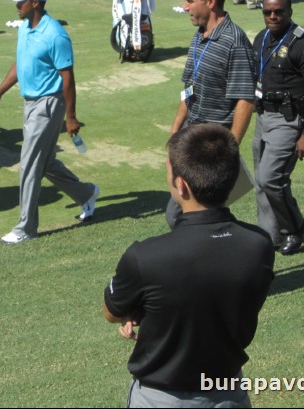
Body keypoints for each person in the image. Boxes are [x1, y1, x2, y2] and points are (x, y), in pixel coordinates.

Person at [103, 124, 275, 408]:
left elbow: (111, 312)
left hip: (161, 400)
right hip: (230, 394)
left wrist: (138, 311)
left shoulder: (145, 257)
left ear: (181, 185)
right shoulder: (259, 245)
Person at [0, 0, 98, 243]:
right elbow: (21, 63)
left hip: (48, 104)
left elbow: (67, 77)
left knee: (29, 165)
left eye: (21, 1)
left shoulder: (55, 34)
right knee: (44, 163)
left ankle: (26, 228)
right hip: (30, 102)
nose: (16, 6)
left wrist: (70, 117)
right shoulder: (25, 27)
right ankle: (86, 194)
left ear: (35, 3)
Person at [165, 0, 256, 229]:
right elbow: (189, 88)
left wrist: (231, 148)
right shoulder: (199, 36)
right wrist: (175, 131)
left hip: (212, 143)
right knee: (184, 214)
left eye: (190, 1)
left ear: (211, 2)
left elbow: (246, 101)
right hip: (190, 136)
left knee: (185, 216)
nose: (185, 7)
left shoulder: (234, 42)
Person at [252, 0, 304, 255]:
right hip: (263, 117)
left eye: (278, 11)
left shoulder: (302, 44)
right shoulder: (261, 39)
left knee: (271, 177)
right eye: (267, 12)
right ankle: (269, 236)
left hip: (288, 120)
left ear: (290, 11)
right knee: (260, 183)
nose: (272, 16)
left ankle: (294, 228)